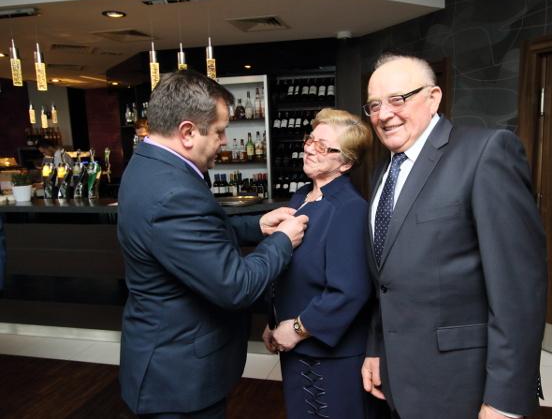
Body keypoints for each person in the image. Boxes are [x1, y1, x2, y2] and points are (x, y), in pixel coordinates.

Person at [360, 54, 548, 419]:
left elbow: (519, 290)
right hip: (398, 378)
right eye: (375, 105)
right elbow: (387, 280)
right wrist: (376, 348)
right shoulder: (383, 170)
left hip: (462, 384)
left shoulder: (486, 152)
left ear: (433, 97)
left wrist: (505, 400)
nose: (384, 114)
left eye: (398, 99)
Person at [117, 70, 308, 419]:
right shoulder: (172, 192)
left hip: (167, 360)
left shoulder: (149, 165)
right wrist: (284, 240)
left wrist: (256, 226)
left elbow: (194, 238)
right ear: (188, 132)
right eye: (219, 131)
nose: (224, 141)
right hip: (177, 379)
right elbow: (236, 286)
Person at [262, 108, 373, 418]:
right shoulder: (300, 198)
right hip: (296, 348)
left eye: (323, 146)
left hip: (329, 358)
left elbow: (349, 291)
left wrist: (297, 329)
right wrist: (273, 322)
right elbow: (290, 275)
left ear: (346, 163)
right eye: (310, 140)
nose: (310, 148)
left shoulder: (349, 209)